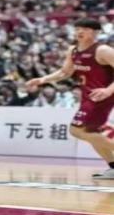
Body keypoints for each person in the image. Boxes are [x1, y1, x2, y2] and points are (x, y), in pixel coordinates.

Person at [26, 18, 114, 178]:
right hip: (89, 96)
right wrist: (42, 80)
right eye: (78, 28)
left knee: (77, 130)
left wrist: (108, 90)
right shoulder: (73, 50)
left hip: (103, 96)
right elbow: (64, 72)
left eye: (85, 29)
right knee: (91, 132)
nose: (80, 32)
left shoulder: (103, 50)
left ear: (96, 33)